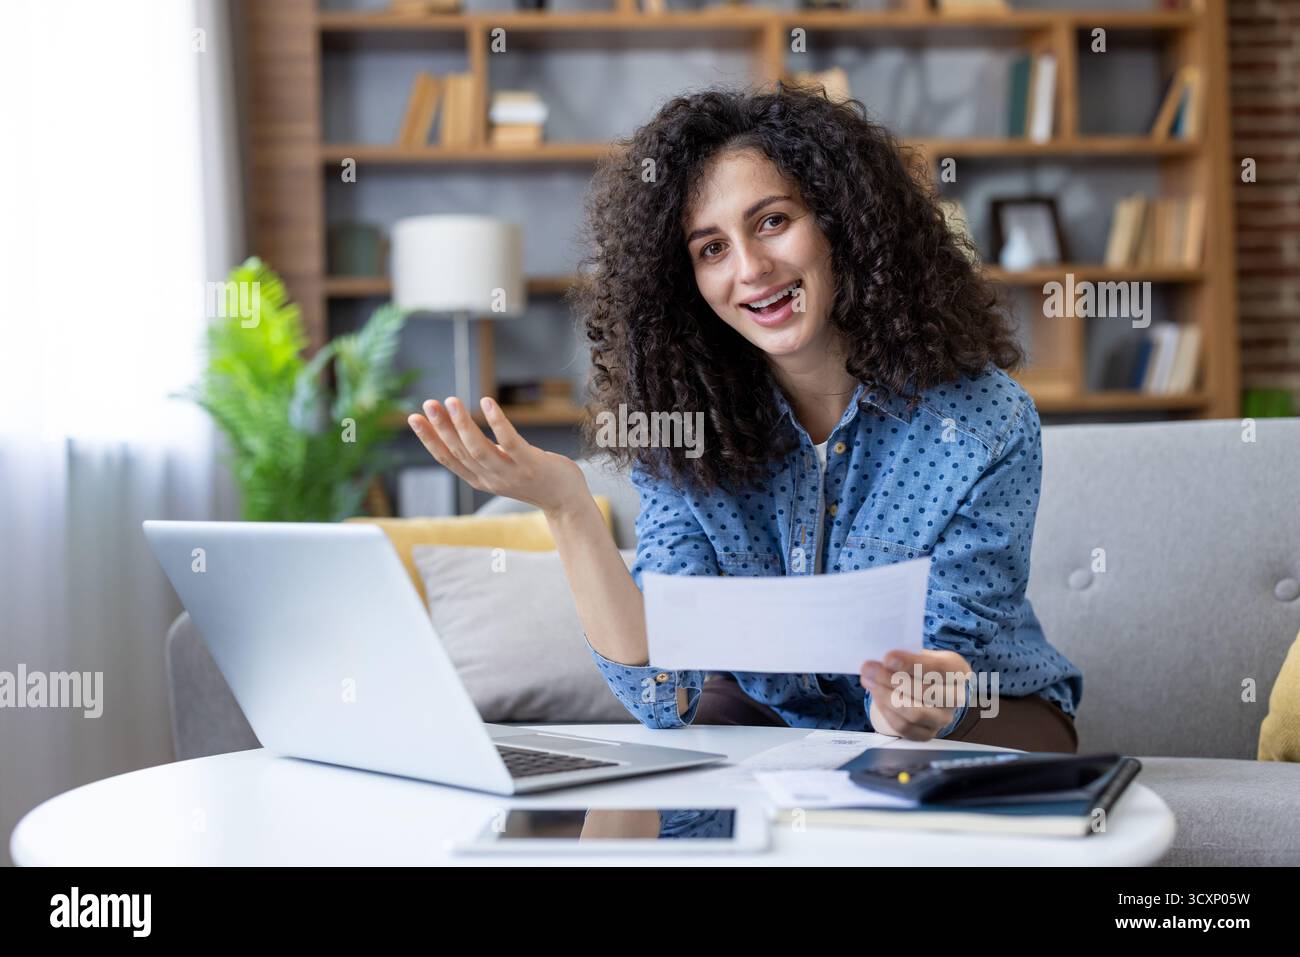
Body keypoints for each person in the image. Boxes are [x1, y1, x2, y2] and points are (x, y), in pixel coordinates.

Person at [407, 82, 1082, 753]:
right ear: (687, 283)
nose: (751, 269)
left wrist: (918, 699)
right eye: (711, 249)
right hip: (779, 722)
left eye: (772, 222)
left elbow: (948, 649)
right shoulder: (686, 426)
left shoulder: (983, 419)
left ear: (840, 222)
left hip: (982, 715)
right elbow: (661, 695)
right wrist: (566, 506)